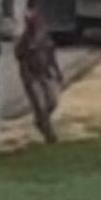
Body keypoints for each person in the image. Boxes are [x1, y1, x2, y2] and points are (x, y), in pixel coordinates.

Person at [15, 7, 63, 143]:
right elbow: (20, 58)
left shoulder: (44, 36)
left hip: (45, 73)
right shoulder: (24, 40)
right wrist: (27, 77)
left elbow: (51, 55)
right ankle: (49, 134)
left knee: (52, 102)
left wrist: (57, 72)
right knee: (40, 105)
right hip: (31, 76)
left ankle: (40, 120)